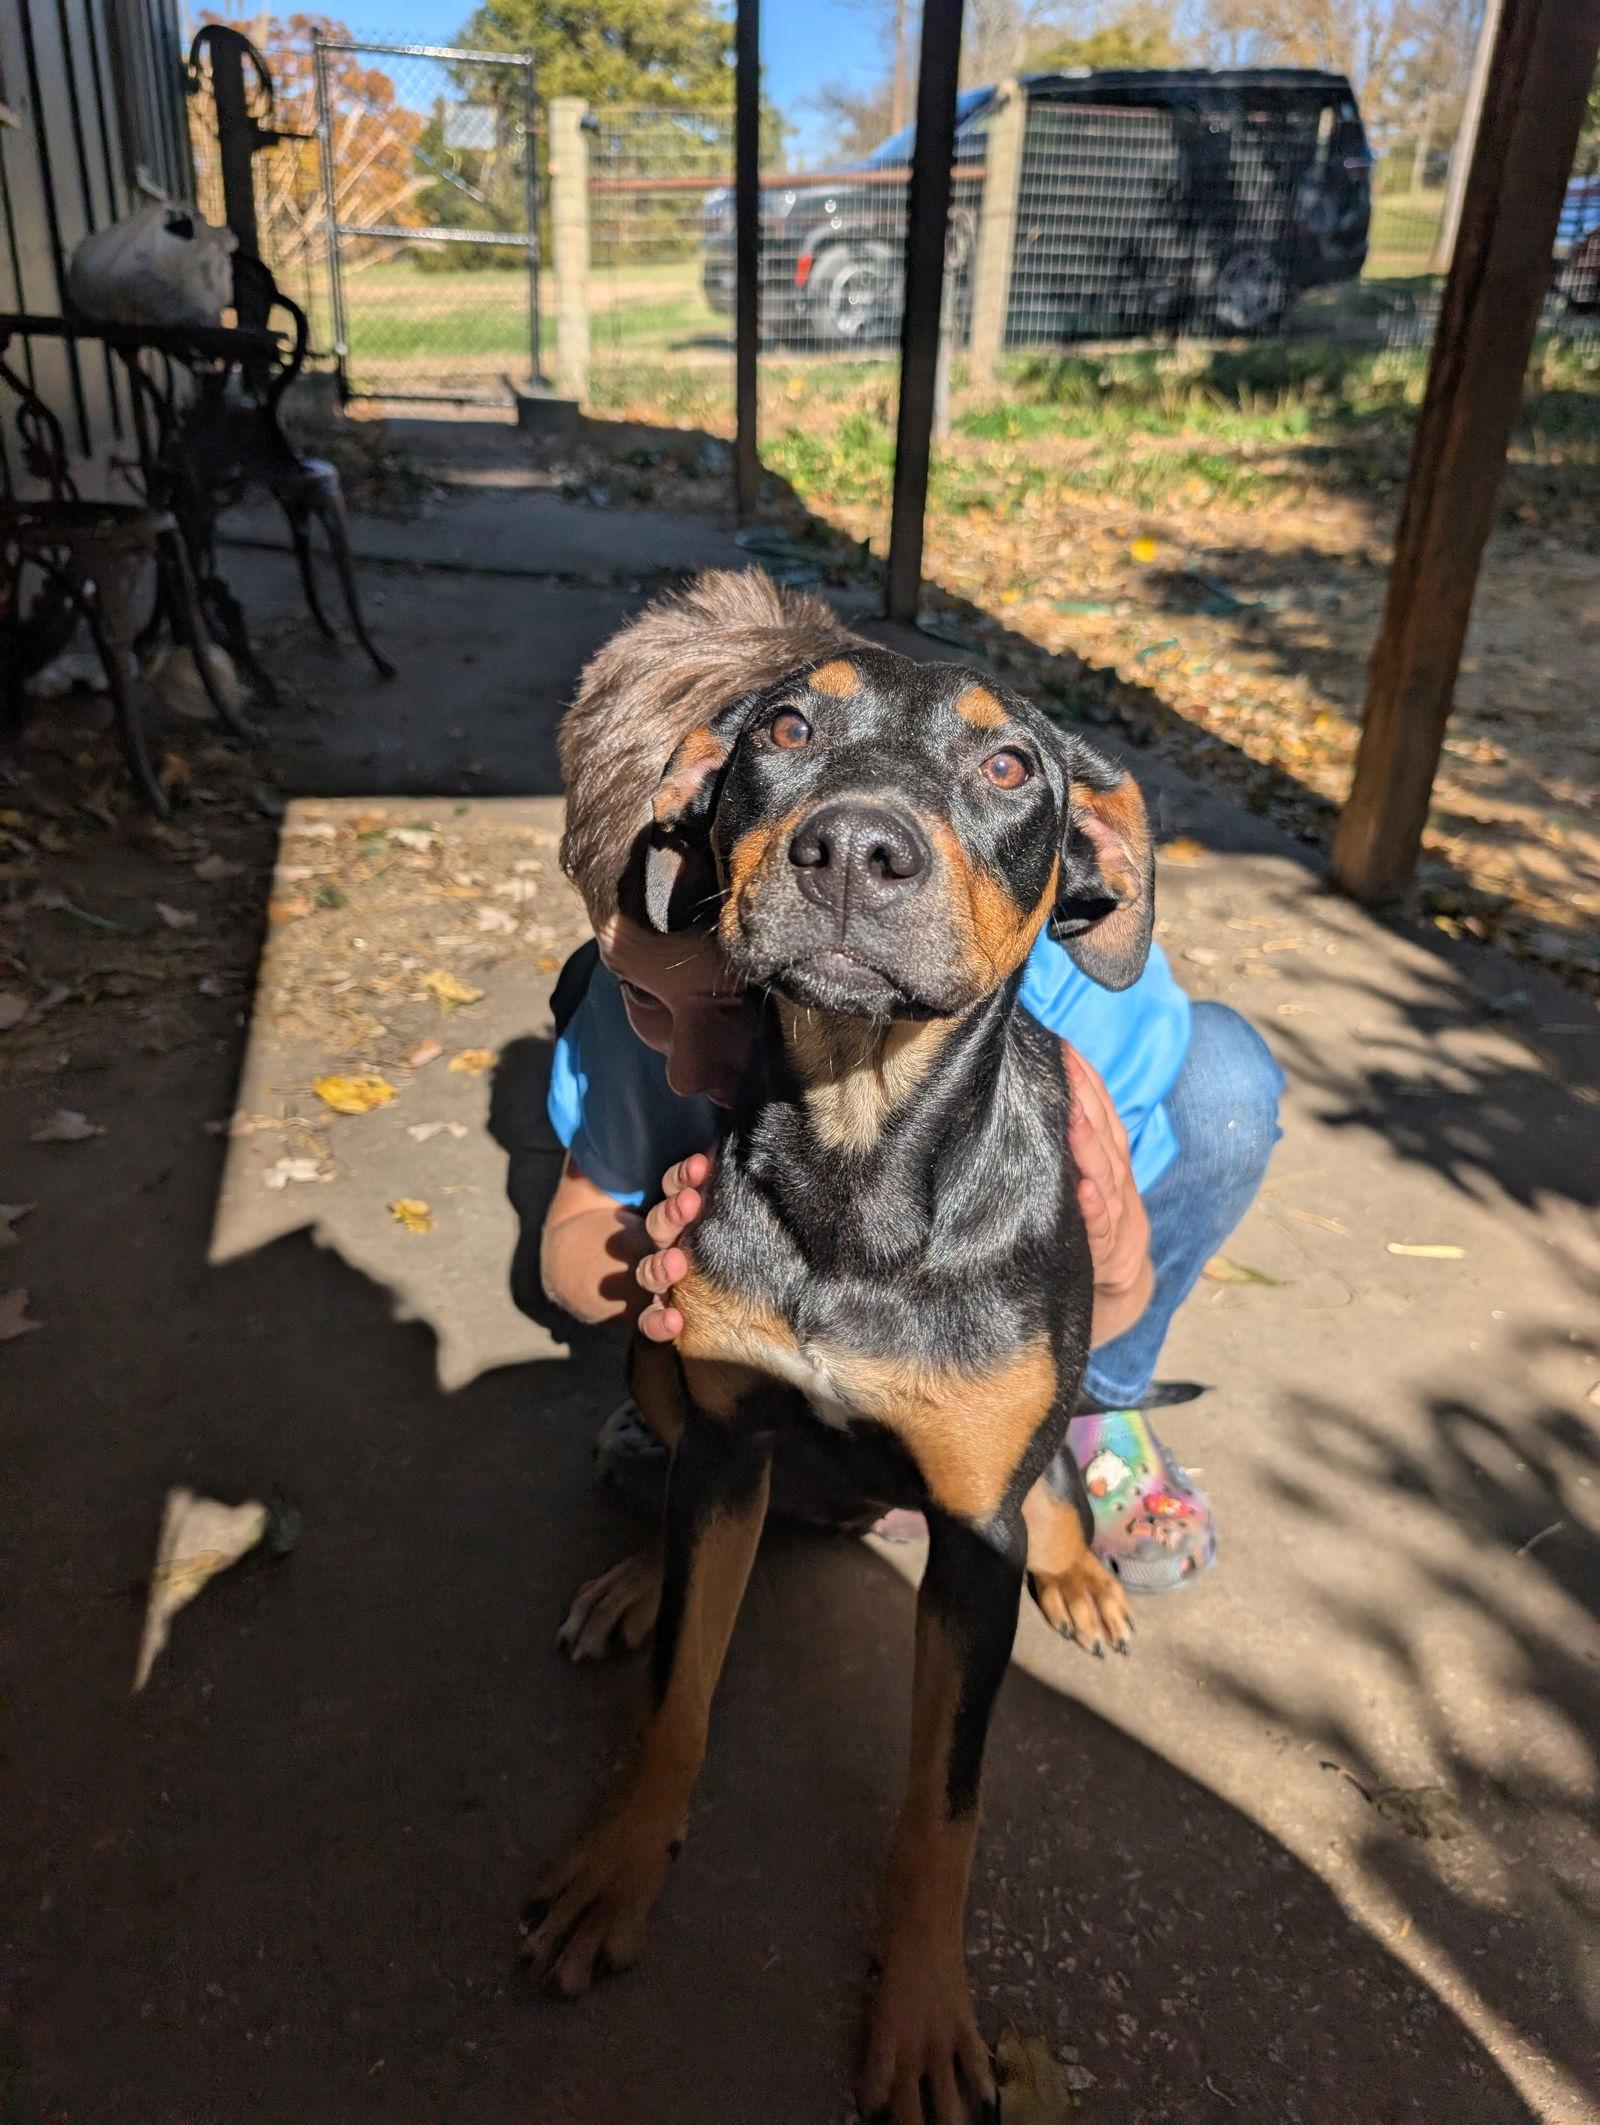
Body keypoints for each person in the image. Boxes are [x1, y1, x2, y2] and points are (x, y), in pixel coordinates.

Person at [538, 570, 1284, 1595]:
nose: (687, 1067)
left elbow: (1108, 1289)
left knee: (1226, 1080)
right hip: (771, 1287)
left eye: (753, 1003)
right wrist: (671, 1299)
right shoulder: (642, 973)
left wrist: (1113, 1265)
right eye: (641, 997)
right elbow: (570, 1246)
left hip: (1015, 1300)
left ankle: (1091, 1412)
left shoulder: (1071, 1009)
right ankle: (755, 1422)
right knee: (699, 1432)